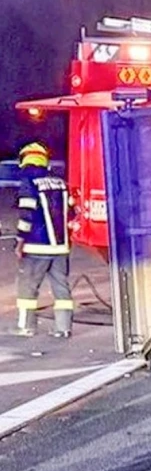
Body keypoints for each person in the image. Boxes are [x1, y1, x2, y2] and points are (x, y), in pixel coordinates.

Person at [12, 142, 75, 338]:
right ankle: (63, 328)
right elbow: (71, 212)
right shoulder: (60, 183)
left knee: (28, 287)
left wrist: (20, 241)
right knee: (61, 288)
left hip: (36, 247)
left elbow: (26, 214)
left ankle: (26, 326)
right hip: (60, 247)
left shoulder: (29, 182)